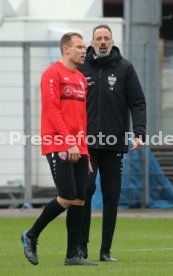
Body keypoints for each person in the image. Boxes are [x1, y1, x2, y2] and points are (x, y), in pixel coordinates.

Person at [21, 32, 97, 266]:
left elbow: (82, 118)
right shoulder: (52, 74)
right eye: (79, 47)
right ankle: (31, 235)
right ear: (66, 50)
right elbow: (53, 111)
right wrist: (69, 142)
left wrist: (84, 151)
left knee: (80, 199)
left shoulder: (82, 80)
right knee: (67, 195)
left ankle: (72, 255)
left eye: (85, 47)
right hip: (58, 144)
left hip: (78, 147)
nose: (84, 51)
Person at [78, 25, 146, 262]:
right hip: (86, 144)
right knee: (84, 191)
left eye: (107, 38)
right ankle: (81, 248)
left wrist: (139, 133)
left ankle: (105, 250)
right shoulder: (81, 66)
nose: (103, 42)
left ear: (113, 41)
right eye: (99, 38)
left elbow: (137, 102)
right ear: (92, 42)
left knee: (112, 196)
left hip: (114, 144)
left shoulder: (125, 67)